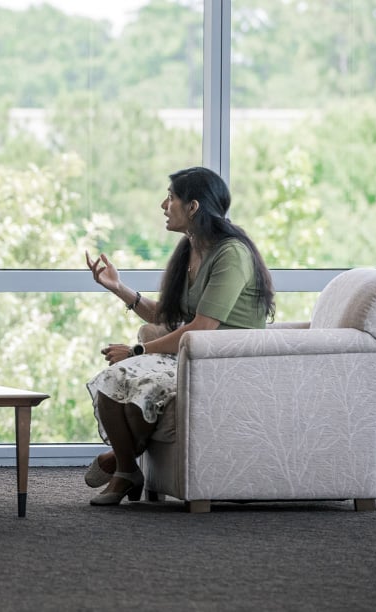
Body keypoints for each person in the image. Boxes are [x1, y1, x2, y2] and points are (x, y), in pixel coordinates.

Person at [83, 166, 274, 506]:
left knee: (130, 380)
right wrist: (118, 288)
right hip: (191, 357)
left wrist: (137, 350)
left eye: (171, 198)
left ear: (193, 207)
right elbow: (169, 317)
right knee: (110, 383)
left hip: (223, 366)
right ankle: (127, 470)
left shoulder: (231, 254)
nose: (163, 205)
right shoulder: (191, 249)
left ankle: (120, 464)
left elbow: (202, 328)